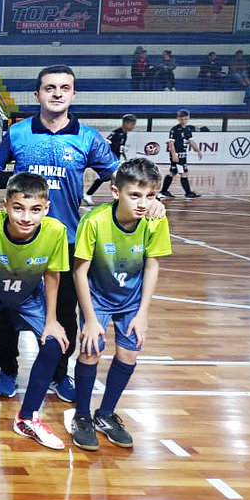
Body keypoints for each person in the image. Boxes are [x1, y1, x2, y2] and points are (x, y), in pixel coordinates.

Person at [0, 65, 121, 404]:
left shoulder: (88, 137)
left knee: (64, 314)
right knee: (9, 310)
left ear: (73, 94)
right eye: (50, 88)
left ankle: (59, 374)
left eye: (64, 88)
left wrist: (151, 198)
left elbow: (118, 175)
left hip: (68, 240)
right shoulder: (18, 133)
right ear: (38, 95)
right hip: (18, 238)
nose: (57, 93)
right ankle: (7, 370)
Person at [0, 172, 70, 450]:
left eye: (35, 210)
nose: (26, 217)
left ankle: (28, 417)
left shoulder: (56, 231)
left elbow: (52, 275)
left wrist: (52, 320)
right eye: (18, 208)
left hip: (28, 296)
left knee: (54, 342)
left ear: (46, 208)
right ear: (5, 205)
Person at [70, 158, 171, 452]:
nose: (143, 203)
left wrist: (143, 314)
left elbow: (152, 266)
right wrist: (89, 319)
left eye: (150, 196)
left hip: (131, 301)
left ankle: (106, 414)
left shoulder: (155, 221)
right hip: (97, 298)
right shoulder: (95, 221)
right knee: (91, 351)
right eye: (135, 195)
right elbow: (79, 271)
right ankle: (82, 416)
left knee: (128, 355)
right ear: (115, 192)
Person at [83, 114, 136, 205]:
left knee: (110, 179)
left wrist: (124, 158)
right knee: (115, 178)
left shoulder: (124, 134)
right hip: (110, 162)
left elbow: (121, 149)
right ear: (126, 123)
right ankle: (89, 194)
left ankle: (89, 194)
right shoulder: (116, 134)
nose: (133, 127)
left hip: (115, 161)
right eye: (132, 124)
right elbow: (106, 144)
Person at [159, 109, 203, 200]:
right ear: (178, 119)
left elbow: (191, 141)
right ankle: (188, 193)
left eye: (185, 119)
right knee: (184, 173)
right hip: (178, 155)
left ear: (188, 119)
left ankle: (163, 191)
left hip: (183, 155)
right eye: (182, 119)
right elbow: (171, 143)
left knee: (173, 172)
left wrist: (198, 150)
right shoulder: (175, 129)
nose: (183, 121)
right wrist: (174, 154)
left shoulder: (187, 129)